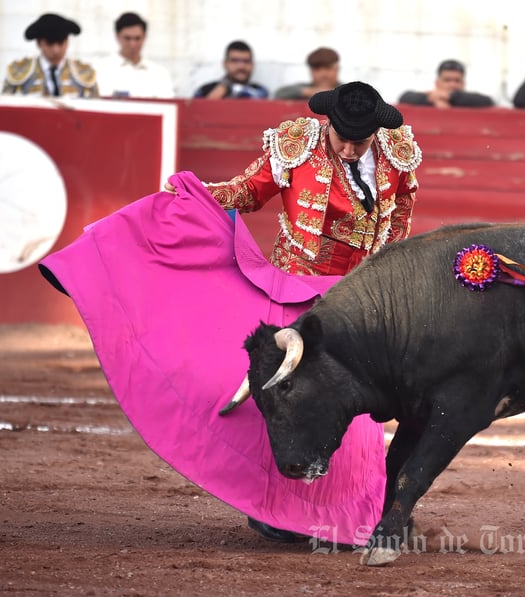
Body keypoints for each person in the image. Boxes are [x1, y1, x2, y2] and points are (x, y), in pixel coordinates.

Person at [161, 81, 421, 541]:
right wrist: (196, 196)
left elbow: (401, 208)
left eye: (359, 142)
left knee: (356, 412)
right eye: (341, 137)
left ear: (377, 134)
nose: (347, 147)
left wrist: (387, 267)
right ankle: (273, 507)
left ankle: (343, 508)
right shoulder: (297, 147)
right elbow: (247, 192)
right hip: (296, 294)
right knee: (290, 401)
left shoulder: (396, 153)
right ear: (329, 123)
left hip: (359, 300)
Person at [2, 13, 98, 97]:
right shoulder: (18, 72)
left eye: (60, 43)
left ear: (67, 42)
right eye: (49, 44)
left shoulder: (85, 73)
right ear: (39, 43)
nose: (56, 50)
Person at [95, 12, 174, 99]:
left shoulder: (159, 74)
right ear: (117, 37)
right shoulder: (100, 70)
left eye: (137, 38)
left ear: (144, 37)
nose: (132, 44)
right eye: (127, 38)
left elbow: (168, 107)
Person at [398, 59, 495, 108]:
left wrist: (450, 96)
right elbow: (404, 97)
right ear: (437, 83)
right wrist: (430, 99)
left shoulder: (472, 101)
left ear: (463, 83)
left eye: (457, 80)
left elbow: (489, 101)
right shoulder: (430, 98)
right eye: (447, 80)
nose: (452, 85)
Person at [193, 40, 269, 99]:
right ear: (225, 64)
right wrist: (209, 102)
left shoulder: (261, 92)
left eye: (246, 61)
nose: (241, 66)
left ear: (252, 65)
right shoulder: (205, 90)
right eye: (234, 61)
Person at [274, 46, 341, 100]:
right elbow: (279, 93)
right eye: (317, 69)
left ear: (337, 69)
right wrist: (308, 92)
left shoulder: (349, 91)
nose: (323, 74)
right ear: (311, 71)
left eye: (328, 68)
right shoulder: (303, 90)